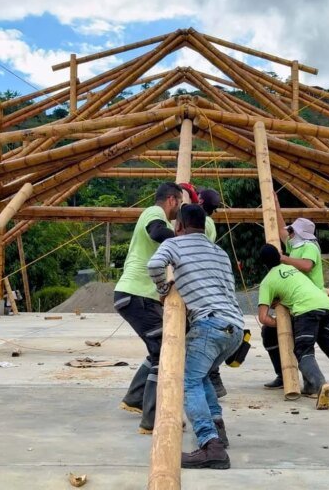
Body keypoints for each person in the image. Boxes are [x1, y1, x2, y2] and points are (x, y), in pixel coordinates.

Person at [147, 204, 244, 470]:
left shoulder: (175, 244)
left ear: (178, 226)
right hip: (235, 329)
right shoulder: (220, 251)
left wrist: (163, 288)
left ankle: (210, 445)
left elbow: (154, 264)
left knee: (187, 381)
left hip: (209, 325)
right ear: (204, 225)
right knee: (201, 377)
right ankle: (218, 428)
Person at [256, 244, 329, 400]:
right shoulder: (293, 270)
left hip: (306, 311)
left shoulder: (268, 281)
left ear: (263, 263)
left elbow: (263, 318)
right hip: (325, 305)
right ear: (279, 257)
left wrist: (281, 324)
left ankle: (320, 386)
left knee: (303, 351)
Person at [115, 182, 183, 433]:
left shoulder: (155, 214)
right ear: (171, 200)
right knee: (164, 352)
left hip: (137, 295)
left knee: (160, 348)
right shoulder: (154, 213)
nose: (179, 209)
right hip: (136, 294)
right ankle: (152, 418)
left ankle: (134, 399)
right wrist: (182, 240)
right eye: (180, 202)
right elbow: (156, 232)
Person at [261, 212, 325, 390]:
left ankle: (313, 383)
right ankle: (283, 375)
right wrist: (275, 205)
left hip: (309, 301)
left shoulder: (309, 247)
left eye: (292, 231)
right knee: (269, 334)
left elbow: (306, 265)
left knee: (303, 345)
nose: (288, 233)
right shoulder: (295, 245)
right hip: (294, 300)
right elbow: (281, 230)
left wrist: (282, 258)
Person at [197, 187, 228, 398]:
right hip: (207, 281)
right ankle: (214, 382)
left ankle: (213, 382)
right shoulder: (209, 222)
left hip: (199, 283)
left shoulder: (202, 223)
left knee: (199, 336)